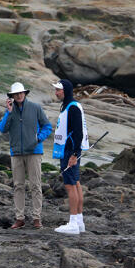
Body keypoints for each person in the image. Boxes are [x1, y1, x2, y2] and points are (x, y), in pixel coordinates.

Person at [0, 82, 52, 229]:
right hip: (16, 153)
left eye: (21, 93)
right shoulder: (10, 110)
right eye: (16, 94)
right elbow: (2, 128)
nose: (19, 95)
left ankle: (36, 218)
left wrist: (38, 138)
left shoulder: (36, 108)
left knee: (35, 185)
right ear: (12, 96)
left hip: (34, 152)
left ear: (25, 93)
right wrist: (8, 112)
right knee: (18, 186)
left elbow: (47, 126)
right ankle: (19, 218)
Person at [52, 79, 88, 235]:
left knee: (70, 185)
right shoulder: (68, 105)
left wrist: (74, 154)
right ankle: (79, 221)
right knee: (76, 182)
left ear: (65, 90)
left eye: (58, 90)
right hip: (68, 150)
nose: (56, 92)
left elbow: (79, 132)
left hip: (70, 151)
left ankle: (73, 222)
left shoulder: (73, 107)